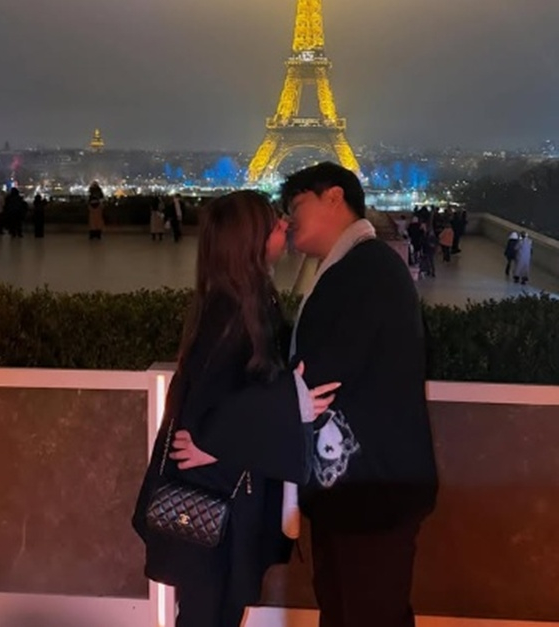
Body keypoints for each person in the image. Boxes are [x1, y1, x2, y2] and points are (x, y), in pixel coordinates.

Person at [174, 163, 439, 627]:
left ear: (333, 197)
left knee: (365, 613)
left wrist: (224, 438)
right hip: (359, 491)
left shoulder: (366, 270)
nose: (289, 218)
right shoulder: (356, 267)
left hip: (371, 495)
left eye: (296, 205)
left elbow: (315, 378)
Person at [132, 190, 340, 627]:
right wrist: (294, 403)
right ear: (250, 239)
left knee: (216, 610)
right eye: (273, 222)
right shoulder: (231, 311)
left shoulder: (240, 302)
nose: (284, 225)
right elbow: (212, 408)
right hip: (214, 500)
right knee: (211, 611)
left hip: (218, 495)